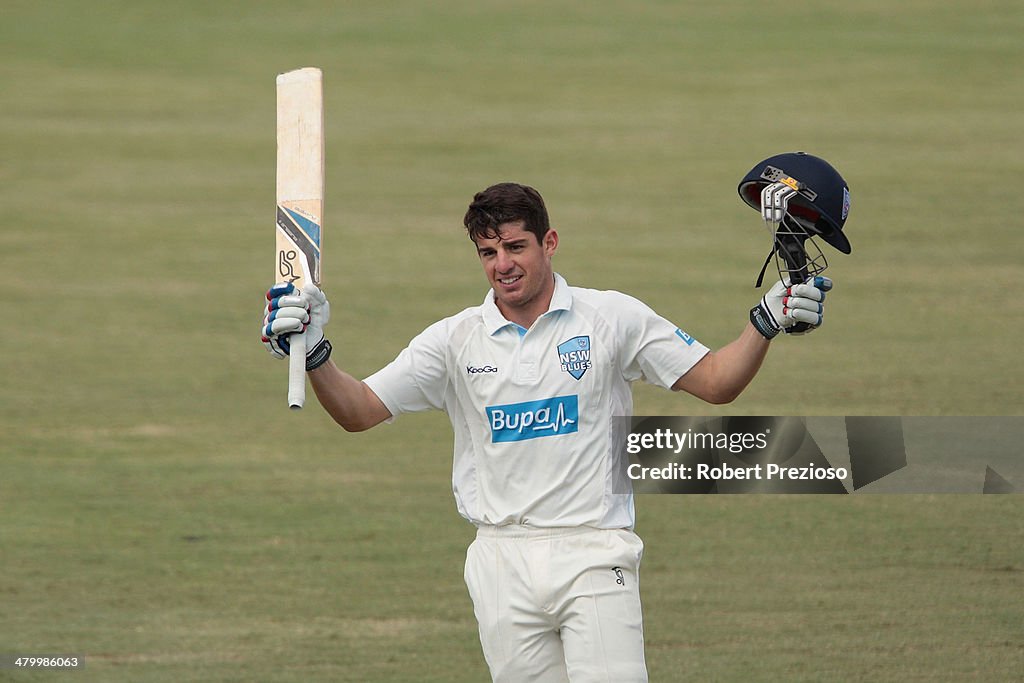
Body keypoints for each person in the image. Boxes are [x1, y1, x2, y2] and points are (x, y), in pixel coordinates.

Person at [260, 182, 833, 682]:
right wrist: (315, 355)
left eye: (515, 247)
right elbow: (359, 409)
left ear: (549, 243)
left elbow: (715, 381)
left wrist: (766, 321)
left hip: (593, 550)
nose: (502, 265)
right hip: (500, 561)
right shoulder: (454, 340)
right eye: (488, 252)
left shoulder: (611, 317)